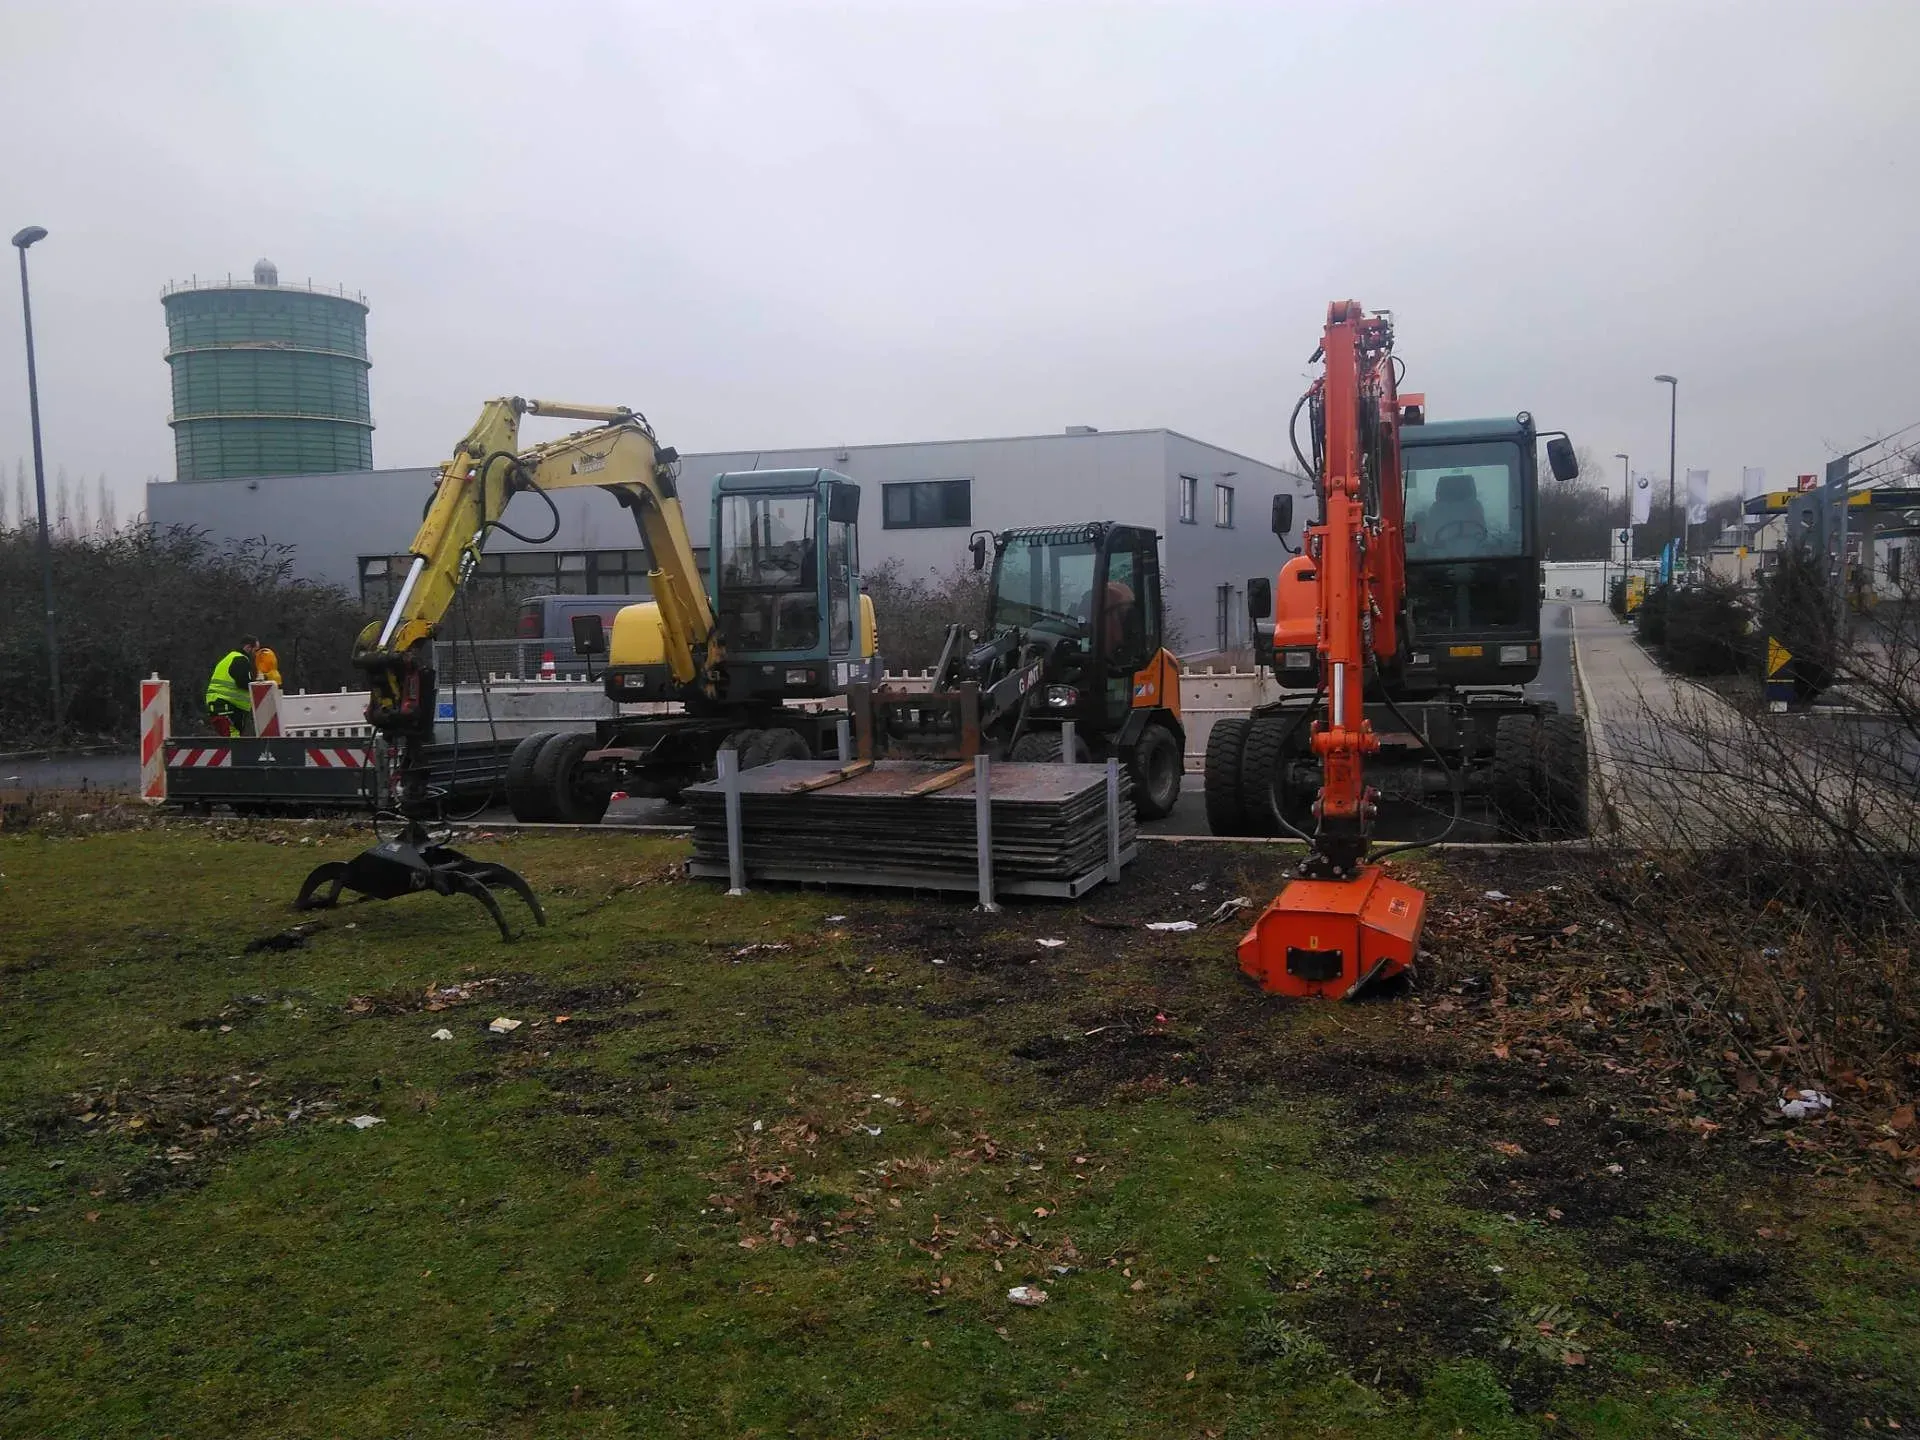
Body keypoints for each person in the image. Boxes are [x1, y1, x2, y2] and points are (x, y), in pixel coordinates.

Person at [205, 637, 261, 737]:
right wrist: (258, 684)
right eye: (255, 650)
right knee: (233, 740)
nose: (256, 654)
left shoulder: (230, 658)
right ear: (248, 647)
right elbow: (243, 682)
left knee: (230, 739)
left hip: (220, 705)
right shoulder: (241, 659)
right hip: (227, 706)